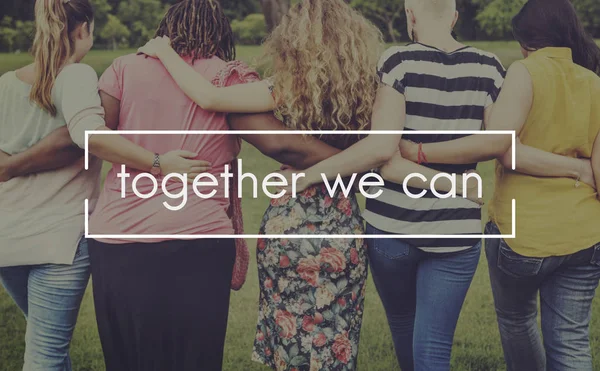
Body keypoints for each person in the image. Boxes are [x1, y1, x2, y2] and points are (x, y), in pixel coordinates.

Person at [274, 0, 596, 370]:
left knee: (403, 324)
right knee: (434, 346)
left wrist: (305, 177)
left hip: (392, 228)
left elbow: (382, 149)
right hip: (455, 233)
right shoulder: (489, 66)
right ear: (455, 17)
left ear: (410, 16)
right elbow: (498, 144)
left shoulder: (397, 62)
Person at [90, 1, 354, 370]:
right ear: (220, 33)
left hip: (115, 239)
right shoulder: (227, 76)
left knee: (129, 360)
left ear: (166, 29)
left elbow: (96, 136)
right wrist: (358, 160)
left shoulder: (124, 69)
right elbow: (281, 144)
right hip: (195, 240)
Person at [0, 0, 212, 370]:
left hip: (7, 239)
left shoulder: (4, 85)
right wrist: (160, 164)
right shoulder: (77, 77)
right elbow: (90, 136)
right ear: (82, 29)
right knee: (45, 357)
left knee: (46, 346)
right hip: (60, 240)